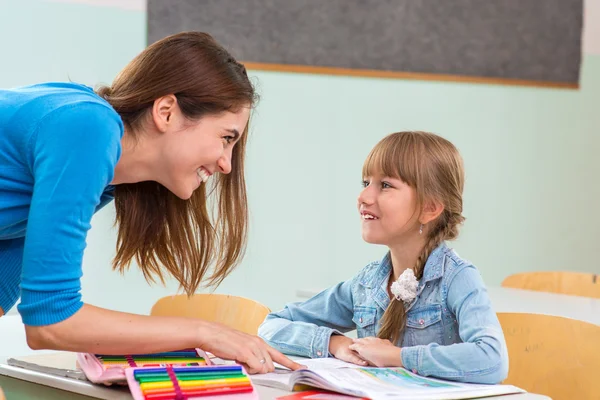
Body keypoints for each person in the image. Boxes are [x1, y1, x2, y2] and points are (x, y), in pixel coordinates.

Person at [0, 31, 301, 374]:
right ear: (167, 111)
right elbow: (50, 322)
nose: (226, 164)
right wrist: (204, 331)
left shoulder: (104, 176)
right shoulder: (88, 128)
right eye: (226, 138)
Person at [258, 131, 509, 383]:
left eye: (385, 185)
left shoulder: (457, 278)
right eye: (365, 183)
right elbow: (272, 326)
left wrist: (398, 356)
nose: (363, 197)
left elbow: (492, 359)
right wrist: (336, 342)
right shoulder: (366, 284)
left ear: (430, 208)